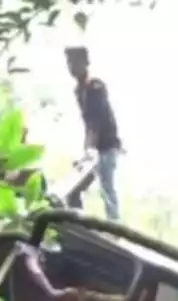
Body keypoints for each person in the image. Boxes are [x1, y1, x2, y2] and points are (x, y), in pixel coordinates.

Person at [64, 46, 122, 222]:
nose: (71, 66)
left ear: (86, 63)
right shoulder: (79, 90)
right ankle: (79, 224)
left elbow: (96, 122)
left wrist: (89, 151)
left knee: (107, 189)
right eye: (69, 62)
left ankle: (115, 230)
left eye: (75, 62)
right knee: (74, 190)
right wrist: (87, 151)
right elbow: (89, 124)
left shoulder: (95, 87)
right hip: (94, 148)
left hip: (106, 146)